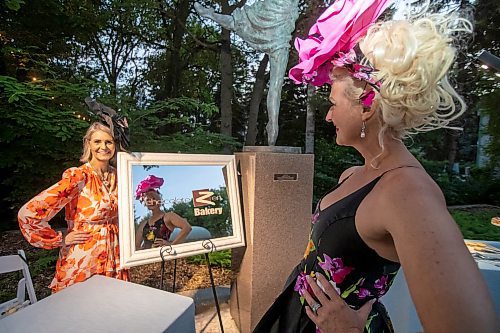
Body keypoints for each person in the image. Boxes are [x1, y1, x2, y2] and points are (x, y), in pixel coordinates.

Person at [254, 1, 498, 332]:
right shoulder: (354, 175)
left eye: (333, 104)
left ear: (367, 104)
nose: (328, 116)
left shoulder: (407, 193)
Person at [18, 100, 130, 293]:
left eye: (108, 142)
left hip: (116, 254)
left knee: (112, 310)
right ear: (88, 144)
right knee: (79, 312)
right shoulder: (78, 177)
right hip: (84, 256)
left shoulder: (121, 175)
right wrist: (59, 239)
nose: (103, 147)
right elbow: (28, 213)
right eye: (97, 141)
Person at [194, 0, 300, 145]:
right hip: (274, 27)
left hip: (278, 32)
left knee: (276, 86)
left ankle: (273, 127)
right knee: (276, 86)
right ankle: (273, 127)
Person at [134, 175, 192, 250]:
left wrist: (171, 245)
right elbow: (136, 247)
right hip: (147, 259)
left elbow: (187, 227)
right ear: (145, 203)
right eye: (148, 200)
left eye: (154, 198)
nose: (151, 201)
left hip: (163, 258)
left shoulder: (168, 216)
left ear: (159, 200)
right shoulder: (143, 224)